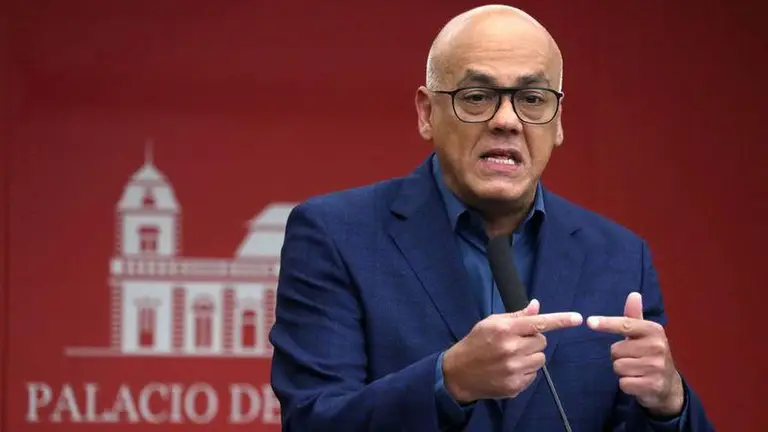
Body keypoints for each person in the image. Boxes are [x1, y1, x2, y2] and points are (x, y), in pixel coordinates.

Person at [269, 5, 715, 431]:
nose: (507, 121)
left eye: (532, 98)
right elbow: (312, 420)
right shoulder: (336, 235)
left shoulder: (620, 257)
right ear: (427, 113)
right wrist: (450, 381)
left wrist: (668, 403)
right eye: (477, 97)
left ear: (558, 122)